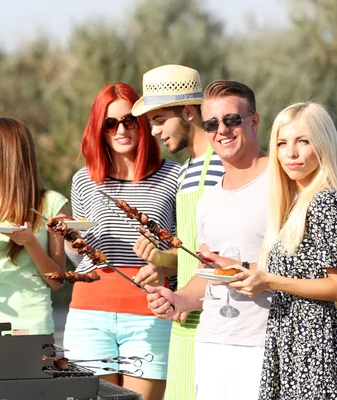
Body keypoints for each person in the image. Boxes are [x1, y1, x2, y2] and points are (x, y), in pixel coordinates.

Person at [228, 102, 337, 399]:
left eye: (302, 141)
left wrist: (268, 282)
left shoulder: (325, 202)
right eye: (282, 143)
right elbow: (298, 270)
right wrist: (240, 268)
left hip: (315, 346)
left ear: (323, 146)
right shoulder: (296, 203)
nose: (290, 153)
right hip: (291, 340)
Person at [145, 80, 271, 399]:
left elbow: (305, 269)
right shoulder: (209, 199)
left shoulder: (282, 183)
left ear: (253, 121)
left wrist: (246, 269)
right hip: (213, 347)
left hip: (266, 345)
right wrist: (178, 299)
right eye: (212, 123)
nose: (222, 131)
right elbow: (212, 279)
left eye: (232, 120)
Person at [60, 82, 180, 400]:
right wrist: (69, 241)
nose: (121, 129)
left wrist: (162, 261)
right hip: (89, 313)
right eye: (110, 123)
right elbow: (79, 260)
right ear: (99, 129)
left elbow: (185, 249)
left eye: (129, 120)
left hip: (149, 312)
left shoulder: (174, 176)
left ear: (141, 122)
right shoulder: (84, 179)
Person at [131, 64, 224, 399]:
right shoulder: (184, 173)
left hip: (220, 323)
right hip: (183, 322)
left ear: (188, 112)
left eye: (158, 120)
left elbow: (231, 252)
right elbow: (192, 254)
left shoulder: (228, 164)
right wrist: (158, 261)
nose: (153, 132)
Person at [0, 117, 68, 334]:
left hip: (33, 323)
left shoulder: (52, 204)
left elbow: (58, 282)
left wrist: (30, 242)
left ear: (12, 148)